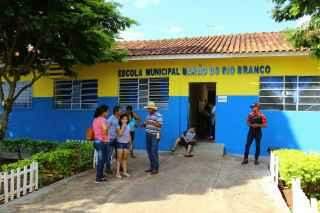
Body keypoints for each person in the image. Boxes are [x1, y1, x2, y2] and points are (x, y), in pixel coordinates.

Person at [143, 101, 163, 175]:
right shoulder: (148, 116)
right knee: (149, 151)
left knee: (154, 151)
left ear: (153, 109)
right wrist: (144, 125)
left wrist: (152, 122)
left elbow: (160, 125)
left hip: (155, 135)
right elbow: (146, 123)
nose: (148, 110)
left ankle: (155, 168)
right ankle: (151, 167)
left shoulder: (158, 115)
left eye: (149, 109)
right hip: (148, 134)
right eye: (147, 108)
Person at [92, 105, 109, 183]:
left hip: (96, 142)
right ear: (103, 112)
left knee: (102, 159)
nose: (108, 113)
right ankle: (98, 177)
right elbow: (105, 130)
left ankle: (101, 175)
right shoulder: (102, 119)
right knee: (101, 160)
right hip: (101, 142)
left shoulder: (95, 119)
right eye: (107, 111)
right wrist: (106, 137)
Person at [115, 114, 131, 178]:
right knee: (119, 159)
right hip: (120, 143)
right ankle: (117, 173)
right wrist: (123, 127)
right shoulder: (118, 126)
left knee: (125, 159)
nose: (125, 120)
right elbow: (120, 134)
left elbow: (129, 135)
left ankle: (125, 172)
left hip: (126, 144)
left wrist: (130, 144)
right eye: (123, 119)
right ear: (120, 120)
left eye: (126, 119)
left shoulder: (128, 126)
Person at [106, 106, 121, 173]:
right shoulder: (110, 119)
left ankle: (119, 167)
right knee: (109, 154)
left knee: (118, 153)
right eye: (120, 110)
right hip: (110, 139)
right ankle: (108, 168)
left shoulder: (118, 118)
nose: (121, 111)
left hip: (116, 139)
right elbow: (106, 128)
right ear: (116, 112)